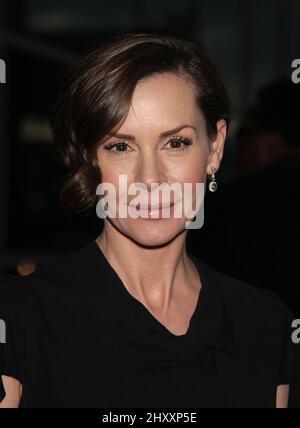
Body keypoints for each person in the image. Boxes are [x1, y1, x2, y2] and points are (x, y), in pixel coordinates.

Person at [1, 31, 299, 408]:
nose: (150, 179)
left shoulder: (264, 326)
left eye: (175, 143)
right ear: (91, 160)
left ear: (215, 147)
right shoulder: (18, 321)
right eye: (120, 146)